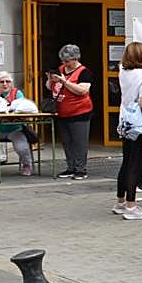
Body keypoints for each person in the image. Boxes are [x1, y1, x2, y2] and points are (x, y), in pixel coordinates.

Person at [112, 42, 142, 221]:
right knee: (135, 163)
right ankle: (131, 205)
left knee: (126, 160)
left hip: (125, 121)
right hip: (137, 123)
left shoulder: (124, 72)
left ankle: (121, 201)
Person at [47, 43, 93, 180]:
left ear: (76, 59)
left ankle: (81, 169)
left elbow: (82, 90)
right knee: (67, 142)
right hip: (62, 112)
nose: (64, 64)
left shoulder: (84, 72)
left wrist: (64, 81)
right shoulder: (61, 69)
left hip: (80, 112)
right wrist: (50, 79)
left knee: (79, 142)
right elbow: (51, 87)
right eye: (63, 61)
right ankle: (70, 167)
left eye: (67, 61)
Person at [0, 71, 33, 178]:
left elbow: (23, 108)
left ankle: (27, 165)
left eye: (7, 81)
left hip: (14, 128)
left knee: (22, 146)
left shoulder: (17, 93)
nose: (5, 84)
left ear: (11, 83)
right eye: (1, 82)